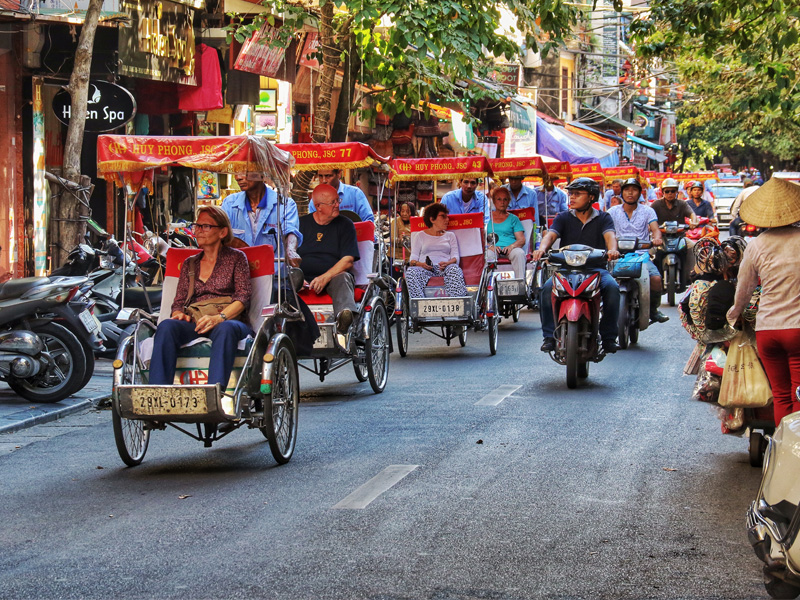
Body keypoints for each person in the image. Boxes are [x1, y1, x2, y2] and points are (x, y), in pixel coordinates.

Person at [149, 206, 252, 391]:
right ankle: (158, 392)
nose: (198, 231)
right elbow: (179, 302)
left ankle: (215, 392)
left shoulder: (237, 258)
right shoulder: (190, 263)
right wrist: (179, 314)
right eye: (197, 226)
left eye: (205, 226)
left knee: (226, 330)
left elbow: (243, 297)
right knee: (166, 326)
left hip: (228, 319)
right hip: (196, 320)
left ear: (222, 232)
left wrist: (219, 318)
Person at [727, 177, 800, 426]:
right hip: (797, 330)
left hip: (768, 330)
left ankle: (782, 453)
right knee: (798, 396)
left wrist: (734, 314)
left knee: (781, 396)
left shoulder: (756, 245)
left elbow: (744, 290)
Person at [532, 177, 621, 354]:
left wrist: (613, 250)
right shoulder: (563, 217)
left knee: (612, 288)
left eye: (577, 194)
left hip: (596, 270)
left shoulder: (604, 217)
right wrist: (541, 249)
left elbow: (610, 237)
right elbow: (550, 235)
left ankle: (609, 337)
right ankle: (549, 336)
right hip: (566, 270)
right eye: (570, 194)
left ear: (591, 197)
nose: (571, 198)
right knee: (546, 289)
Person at [298, 184, 360, 334]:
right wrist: (298, 276)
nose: (338, 205)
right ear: (318, 206)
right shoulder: (300, 224)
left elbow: (348, 260)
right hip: (303, 278)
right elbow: (290, 255)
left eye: (338, 200)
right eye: (333, 202)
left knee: (343, 278)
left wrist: (325, 277)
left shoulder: (345, 224)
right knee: (287, 278)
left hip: (334, 277)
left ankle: (345, 318)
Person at [608, 178, 669, 323]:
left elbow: (656, 230)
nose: (630, 193)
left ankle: (653, 310)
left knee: (655, 279)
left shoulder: (648, 211)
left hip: (640, 255)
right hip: (617, 255)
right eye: (627, 189)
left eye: (634, 189)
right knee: (604, 282)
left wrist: (657, 239)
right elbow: (606, 231)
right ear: (621, 193)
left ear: (639, 193)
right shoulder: (612, 212)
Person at [222, 173, 302, 266]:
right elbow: (220, 233)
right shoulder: (229, 203)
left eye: (245, 171)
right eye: (236, 172)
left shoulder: (285, 204)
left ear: (262, 173)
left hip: (274, 276)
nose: (238, 177)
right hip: (240, 273)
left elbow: (291, 231)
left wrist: (291, 250)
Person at [405, 203, 467, 299]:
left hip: (445, 268)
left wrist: (447, 263)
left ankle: (457, 305)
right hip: (425, 269)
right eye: (443, 216)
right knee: (410, 272)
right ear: (432, 219)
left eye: (447, 217)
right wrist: (421, 264)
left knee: (455, 269)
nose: (447, 220)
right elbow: (412, 259)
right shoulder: (420, 235)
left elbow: (455, 258)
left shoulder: (450, 236)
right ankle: (420, 306)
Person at [651, 177, 697, 278]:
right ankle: (653, 277)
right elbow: (648, 217)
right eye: (667, 191)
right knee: (649, 252)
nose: (670, 193)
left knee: (693, 246)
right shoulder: (656, 204)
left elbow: (692, 214)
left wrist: (693, 221)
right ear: (662, 192)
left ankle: (691, 274)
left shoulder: (682, 203)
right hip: (660, 238)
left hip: (679, 237)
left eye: (673, 191)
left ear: (677, 192)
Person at [308, 168, 375, 224]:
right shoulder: (314, 200)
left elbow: (368, 221)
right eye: (320, 176)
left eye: (328, 176)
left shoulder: (355, 194)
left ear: (339, 174)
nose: (324, 180)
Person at [487, 187, 526, 280]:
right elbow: (480, 239)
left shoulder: (514, 218)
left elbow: (521, 240)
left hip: (510, 248)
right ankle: (488, 287)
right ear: (494, 201)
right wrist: (489, 246)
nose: (502, 202)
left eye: (505, 199)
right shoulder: (487, 218)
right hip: (492, 248)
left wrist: (511, 247)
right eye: (499, 199)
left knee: (519, 253)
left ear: (508, 201)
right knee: (488, 255)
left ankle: (520, 285)